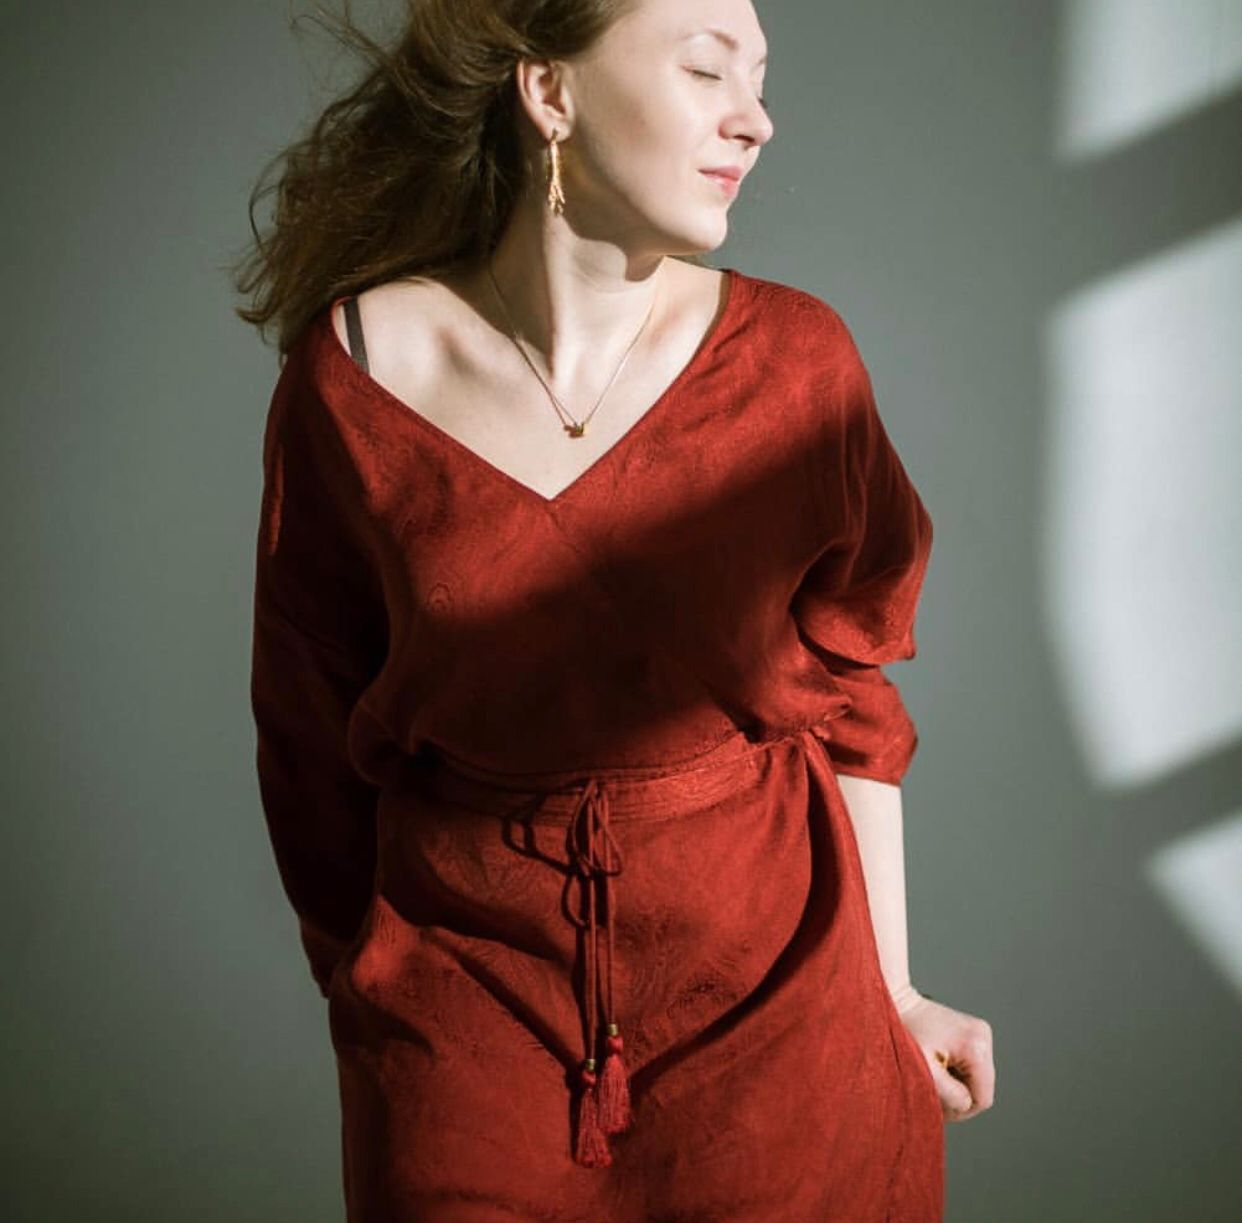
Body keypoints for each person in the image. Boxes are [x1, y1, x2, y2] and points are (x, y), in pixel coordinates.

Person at [237, 0, 995, 1218]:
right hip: (465, 1026)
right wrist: (382, 1004)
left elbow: (851, 699)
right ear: (550, 91)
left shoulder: (798, 363)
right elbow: (308, 737)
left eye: (759, 78)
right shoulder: (355, 374)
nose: (755, 120)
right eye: (706, 70)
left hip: (782, 1033)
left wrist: (894, 991)